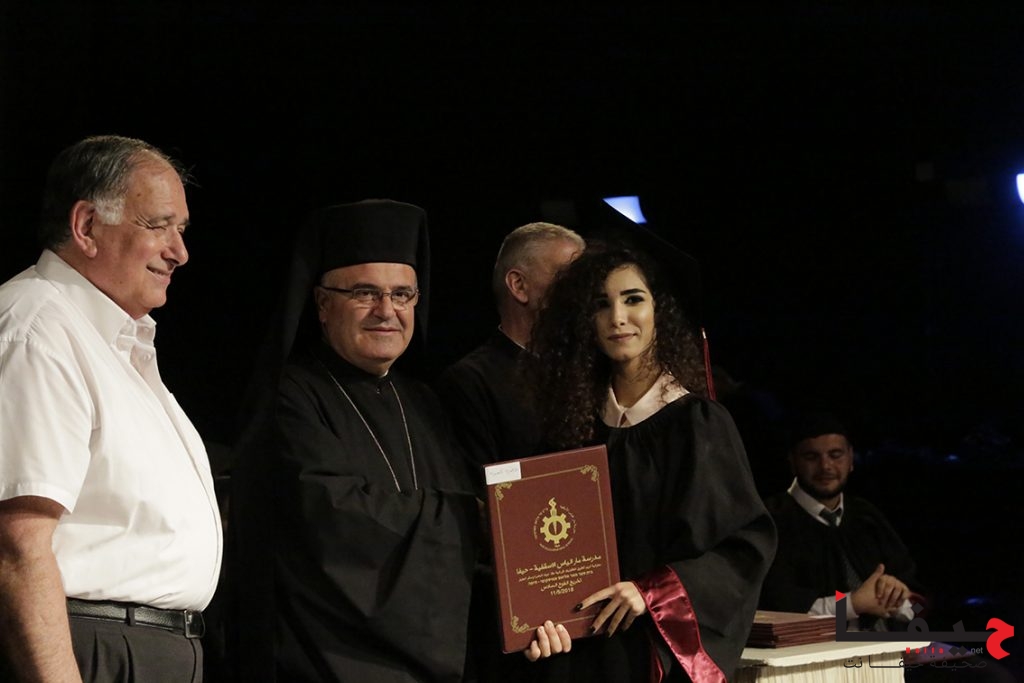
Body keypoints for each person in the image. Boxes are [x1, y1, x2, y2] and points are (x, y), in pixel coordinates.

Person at [0, 135, 222, 682]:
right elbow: (17, 543)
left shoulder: (114, 345)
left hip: (146, 649)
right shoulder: (37, 328)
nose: (179, 252)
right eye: (159, 226)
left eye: (182, 229)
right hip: (92, 649)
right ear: (86, 226)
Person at [229, 199, 479, 682]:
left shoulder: (425, 404)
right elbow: (333, 520)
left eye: (402, 295)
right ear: (323, 304)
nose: (387, 311)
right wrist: (470, 521)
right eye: (365, 293)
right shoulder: (290, 397)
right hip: (326, 665)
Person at [523, 244, 776, 682]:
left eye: (633, 299)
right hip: (582, 655)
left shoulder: (697, 424)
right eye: (601, 304)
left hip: (654, 654)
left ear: (660, 311)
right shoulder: (573, 430)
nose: (618, 317)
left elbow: (745, 548)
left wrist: (652, 592)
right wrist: (540, 619)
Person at [437, 221, 584, 490]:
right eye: (568, 277)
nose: (584, 291)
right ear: (518, 285)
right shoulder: (471, 382)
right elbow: (485, 494)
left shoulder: (589, 365)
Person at [758, 413, 918, 628]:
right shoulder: (769, 522)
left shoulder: (867, 516)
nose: (825, 466)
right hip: (813, 647)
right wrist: (852, 604)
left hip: (889, 642)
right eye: (811, 457)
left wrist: (894, 595)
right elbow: (772, 608)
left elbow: (913, 602)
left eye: (835, 455)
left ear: (851, 459)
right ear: (793, 462)